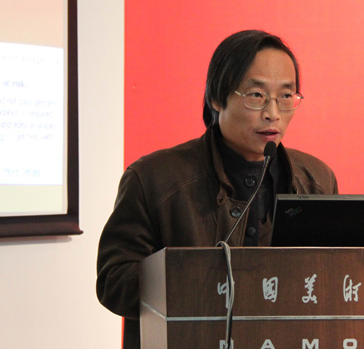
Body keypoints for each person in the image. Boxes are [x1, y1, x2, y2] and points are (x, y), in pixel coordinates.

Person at [96, 30, 338, 349]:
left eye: (285, 96)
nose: (273, 113)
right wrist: (199, 281)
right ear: (217, 97)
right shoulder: (153, 179)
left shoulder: (316, 179)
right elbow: (114, 282)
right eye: (256, 95)